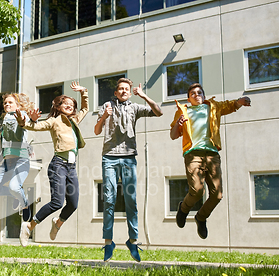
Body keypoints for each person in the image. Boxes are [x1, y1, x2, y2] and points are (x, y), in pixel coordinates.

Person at [170, 83, 251, 239]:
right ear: (189, 98)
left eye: (199, 92)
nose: (196, 94)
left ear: (204, 96)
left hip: (212, 154)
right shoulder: (182, 111)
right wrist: (178, 125)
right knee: (197, 191)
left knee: (217, 195)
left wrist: (240, 101)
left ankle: (201, 217)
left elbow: (229, 105)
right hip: (193, 154)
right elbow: (173, 135)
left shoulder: (212, 107)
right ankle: (184, 208)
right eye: (192, 93)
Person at [94, 78, 162, 262]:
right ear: (116, 93)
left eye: (127, 89)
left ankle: (132, 241)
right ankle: (108, 243)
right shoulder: (107, 106)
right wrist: (104, 116)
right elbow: (96, 130)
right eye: (120, 89)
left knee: (131, 200)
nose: (124, 91)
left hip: (129, 156)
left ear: (130, 92)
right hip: (109, 156)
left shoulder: (135, 107)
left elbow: (159, 112)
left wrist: (144, 96)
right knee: (109, 199)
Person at [16, 81, 88, 247]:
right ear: (58, 106)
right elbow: (36, 126)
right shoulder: (55, 121)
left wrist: (83, 91)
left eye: (72, 104)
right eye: (66, 103)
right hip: (59, 166)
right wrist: (25, 122)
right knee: (57, 202)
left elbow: (85, 108)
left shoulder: (75, 120)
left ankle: (57, 223)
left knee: (73, 203)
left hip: (71, 167)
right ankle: (29, 225)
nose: (70, 106)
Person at [0, 93, 33, 221]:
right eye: (5, 103)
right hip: (7, 162)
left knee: (14, 187)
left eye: (10, 102)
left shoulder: (22, 115)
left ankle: (24, 204)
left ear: (17, 105)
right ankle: (15, 196)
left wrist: (29, 121)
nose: (7, 104)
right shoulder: (7, 117)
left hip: (20, 159)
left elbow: (25, 128)